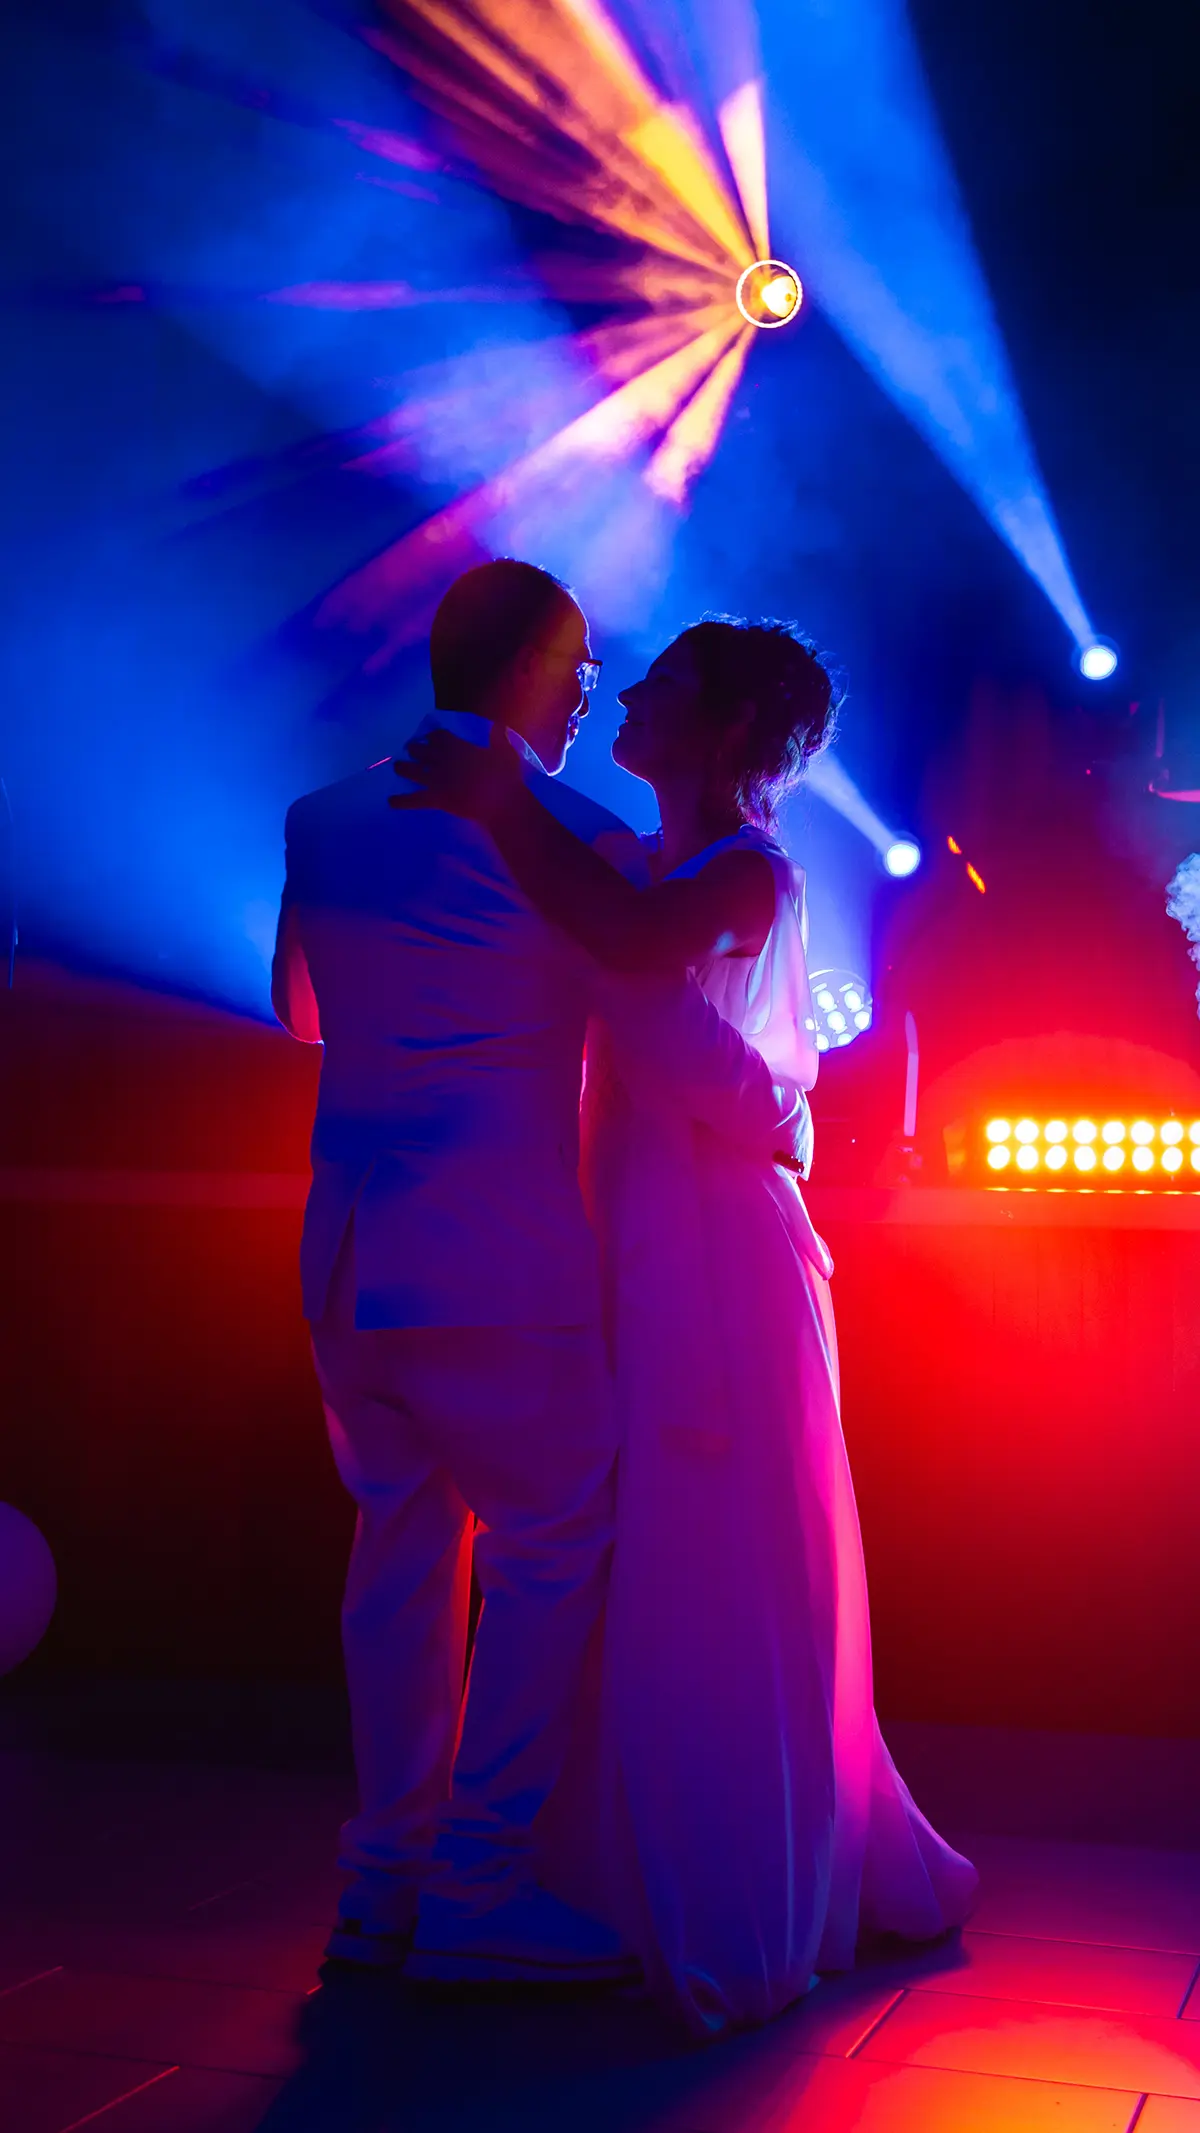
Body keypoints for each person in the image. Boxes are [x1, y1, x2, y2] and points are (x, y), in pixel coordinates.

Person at [394, 616, 979, 2032]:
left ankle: (721, 1892)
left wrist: (502, 805)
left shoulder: (740, 873)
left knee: (710, 1548)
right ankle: (626, 1873)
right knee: (641, 1546)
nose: (630, 694)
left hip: (720, 1260)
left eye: (662, 683)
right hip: (637, 1236)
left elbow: (628, 947)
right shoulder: (645, 864)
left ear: (721, 729)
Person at [272, 564, 810, 1984]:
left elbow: (300, 1013)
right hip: (503, 1255)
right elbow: (646, 1018)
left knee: (393, 1558)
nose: (590, 703)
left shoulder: (317, 821)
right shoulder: (589, 843)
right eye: (577, 681)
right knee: (551, 1544)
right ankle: (479, 1883)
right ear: (530, 675)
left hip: (349, 1245)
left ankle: (379, 1877)